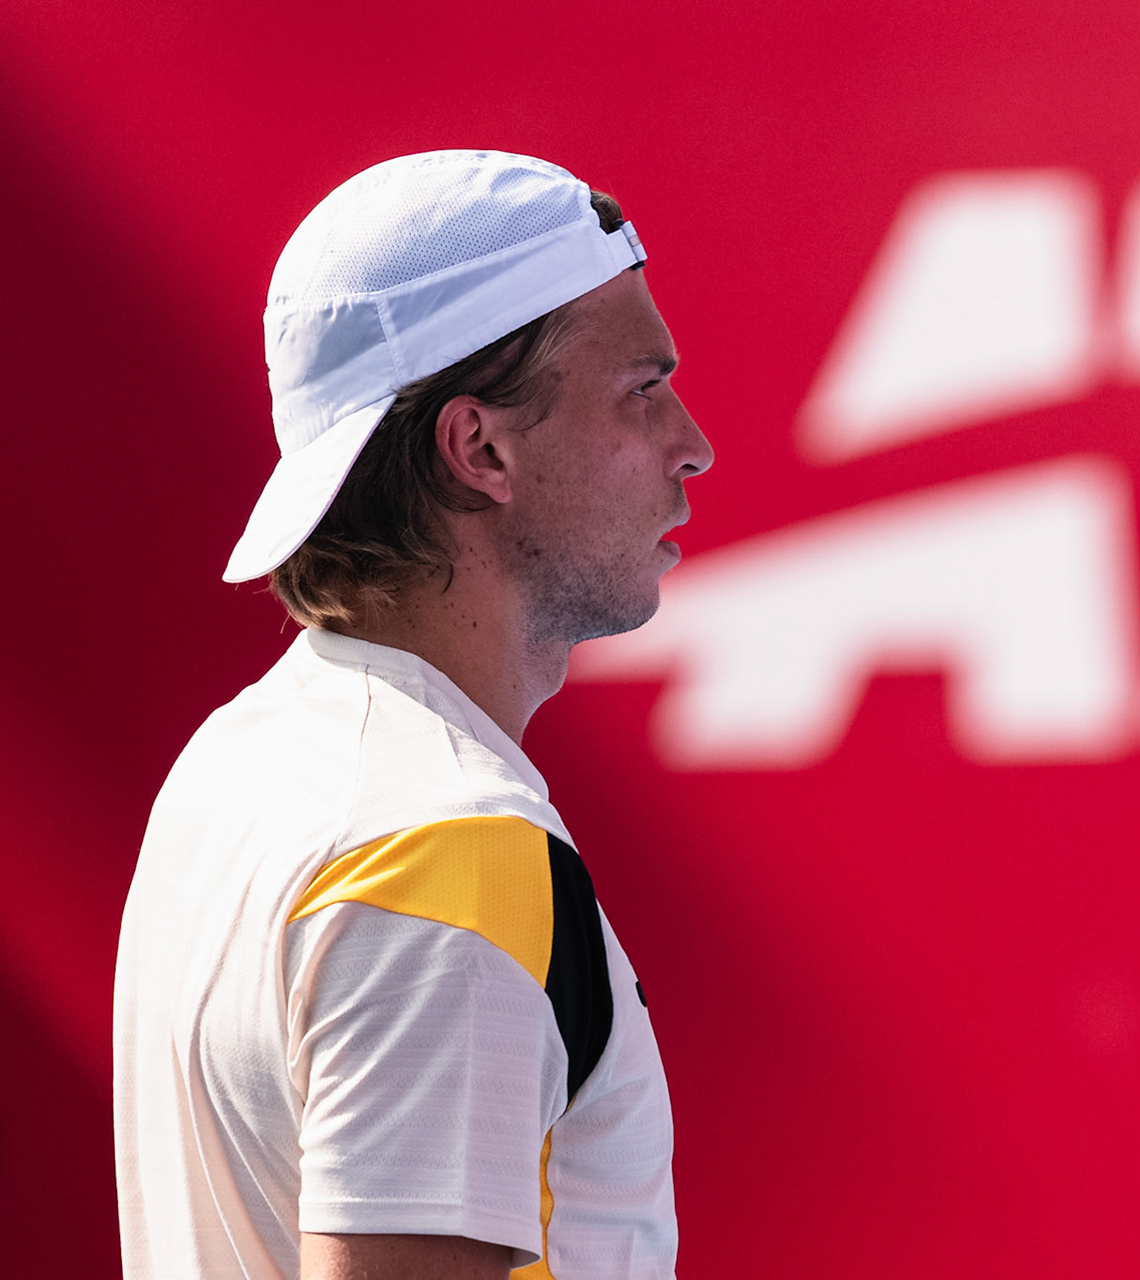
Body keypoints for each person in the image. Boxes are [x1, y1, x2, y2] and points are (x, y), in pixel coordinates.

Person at [113, 150, 714, 1279]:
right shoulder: (448, 846)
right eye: (642, 390)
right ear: (480, 447)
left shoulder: (238, 760)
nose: (693, 443)